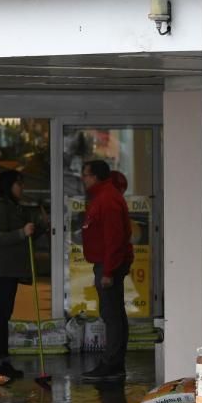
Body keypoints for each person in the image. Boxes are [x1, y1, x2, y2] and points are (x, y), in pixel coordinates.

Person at [0, 170, 43, 379]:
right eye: (19, 184)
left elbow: (23, 235)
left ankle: (1, 355)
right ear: (9, 185)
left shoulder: (14, 207)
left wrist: (38, 228)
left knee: (5, 311)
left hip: (11, 268)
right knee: (1, 311)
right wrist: (21, 232)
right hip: (2, 269)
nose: (22, 188)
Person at [80, 160, 134, 381]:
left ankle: (111, 363)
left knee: (111, 315)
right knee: (114, 314)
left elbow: (114, 239)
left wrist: (108, 272)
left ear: (95, 176)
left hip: (109, 263)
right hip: (106, 262)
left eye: (85, 174)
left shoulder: (107, 199)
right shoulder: (104, 196)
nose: (83, 179)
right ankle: (114, 362)